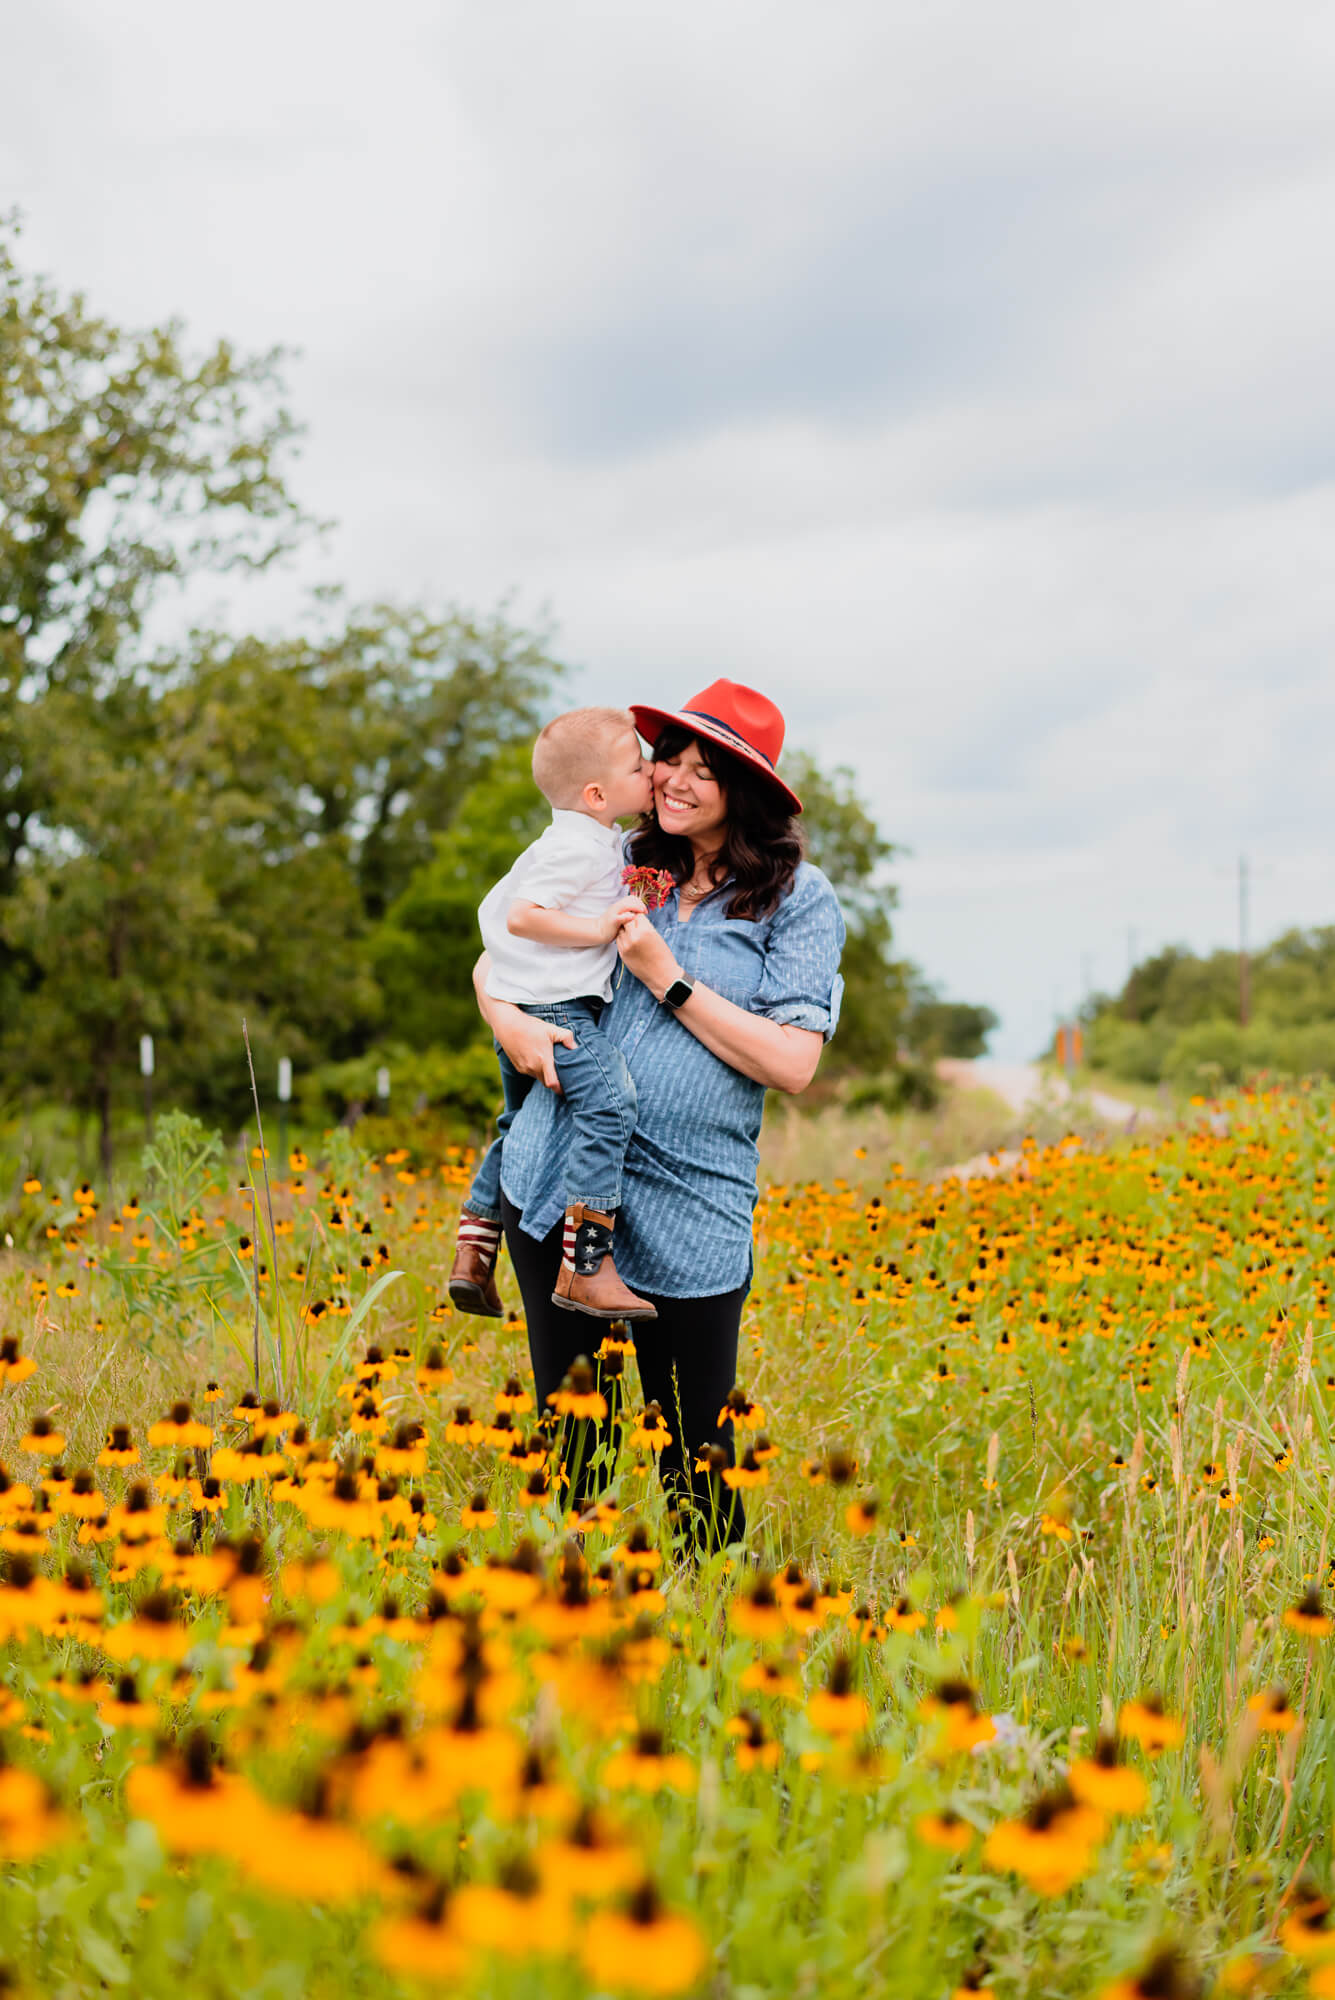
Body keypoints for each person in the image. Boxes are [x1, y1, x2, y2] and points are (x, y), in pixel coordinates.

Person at [470, 679, 845, 1553]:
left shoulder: (795, 896)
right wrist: (509, 1022)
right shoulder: (609, 854)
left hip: (689, 1214)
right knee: (576, 1451)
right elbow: (497, 952)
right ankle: (575, 1643)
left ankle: (708, 1638)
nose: (673, 779)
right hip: (559, 1188)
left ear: (743, 790)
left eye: (701, 770)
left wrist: (665, 975)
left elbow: (792, 1063)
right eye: (666, 758)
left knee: (697, 1461)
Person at [448, 706, 657, 1323]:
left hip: (520, 999)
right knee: (612, 1100)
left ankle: (474, 1251)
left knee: (516, 1123)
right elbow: (524, 914)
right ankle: (586, 1266)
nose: (650, 774)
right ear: (596, 793)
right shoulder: (576, 847)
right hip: (555, 1008)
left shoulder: (585, 839)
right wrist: (598, 927)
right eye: (637, 765)